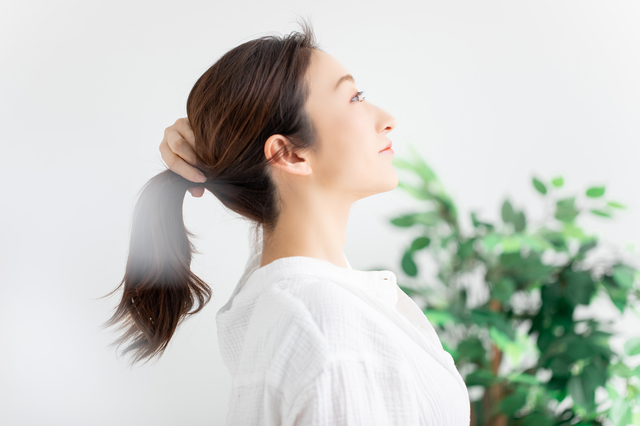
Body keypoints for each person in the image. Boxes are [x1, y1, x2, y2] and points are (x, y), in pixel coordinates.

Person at [106, 19, 471, 425]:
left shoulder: (297, 299)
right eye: (354, 98)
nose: (387, 118)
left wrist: (215, 143)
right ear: (290, 155)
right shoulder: (325, 326)